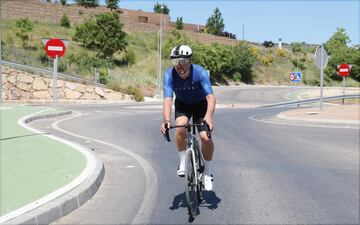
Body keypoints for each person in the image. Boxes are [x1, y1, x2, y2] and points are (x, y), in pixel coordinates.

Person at [160, 44, 216, 191]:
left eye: (183, 62)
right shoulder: (169, 75)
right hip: (183, 105)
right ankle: (183, 162)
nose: (179, 67)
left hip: (201, 106)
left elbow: (210, 97)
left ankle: (207, 173)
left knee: (205, 137)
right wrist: (166, 120)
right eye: (175, 63)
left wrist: (209, 117)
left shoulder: (200, 72)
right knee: (180, 127)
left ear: (189, 61)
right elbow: (167, 99)